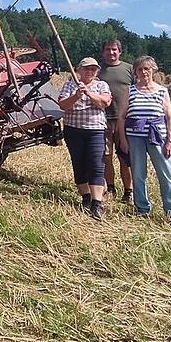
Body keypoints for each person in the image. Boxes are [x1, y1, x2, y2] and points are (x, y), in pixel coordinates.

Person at [118, 55, 171, 227]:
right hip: (135, 138)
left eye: (147, 68)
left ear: (153, 70)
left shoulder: (162, 91)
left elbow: (169, 118)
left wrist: (169, 141)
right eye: (140, 69)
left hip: (158, 137)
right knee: (138, 174)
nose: (144, 72)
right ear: (135, 72)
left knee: (167, 174)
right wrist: (123, 140)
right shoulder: (130, 90)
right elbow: (122, 117)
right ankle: (142, 208)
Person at [57, 57, 112, 220]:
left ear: (97, 72)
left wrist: (88, 93)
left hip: (95, 131)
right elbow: (63, 105)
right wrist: (76, 95)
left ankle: (97, 204)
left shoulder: (102, 85)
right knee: (79, 163)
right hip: (73, 131)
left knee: (96, 164)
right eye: (87, 69)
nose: (90, 72)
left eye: (93, 69)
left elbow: (104, 102)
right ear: (79, 70)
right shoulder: (69, 85)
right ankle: (86, 198)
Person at [99, 39, 133, 203]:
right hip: (102, 120)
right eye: (107, 49)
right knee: (106, 157)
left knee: (124, 158)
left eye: (114, 49)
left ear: (120, 51)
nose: (111, 52)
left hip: (123, 121)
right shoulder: (97, 70)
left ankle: (129, 191)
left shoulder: (129, 69)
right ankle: (111, 188)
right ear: (103, 52)